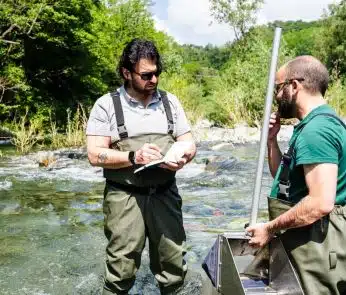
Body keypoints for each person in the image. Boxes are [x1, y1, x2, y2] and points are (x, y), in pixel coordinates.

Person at [86, 38, 196, 295]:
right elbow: (94, 154)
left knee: (174, 266)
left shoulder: (171, 102)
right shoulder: (106, 105)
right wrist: (134, 157)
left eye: (157, 73)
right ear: (127, 72)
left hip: (165, 194)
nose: (154, 80)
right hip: (124, 196)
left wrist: (184, 157)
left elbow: (189, 142)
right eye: (146, 75)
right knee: (121, 269)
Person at [246, 56, 346, 295]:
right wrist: (272, 141)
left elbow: (320, 203)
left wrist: (269, 229)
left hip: (318, 247)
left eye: (279, 88)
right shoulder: (312, 125)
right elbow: (284, 181)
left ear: (294, 85)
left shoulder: (317, 131)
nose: (277, 97)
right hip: (306, 240)